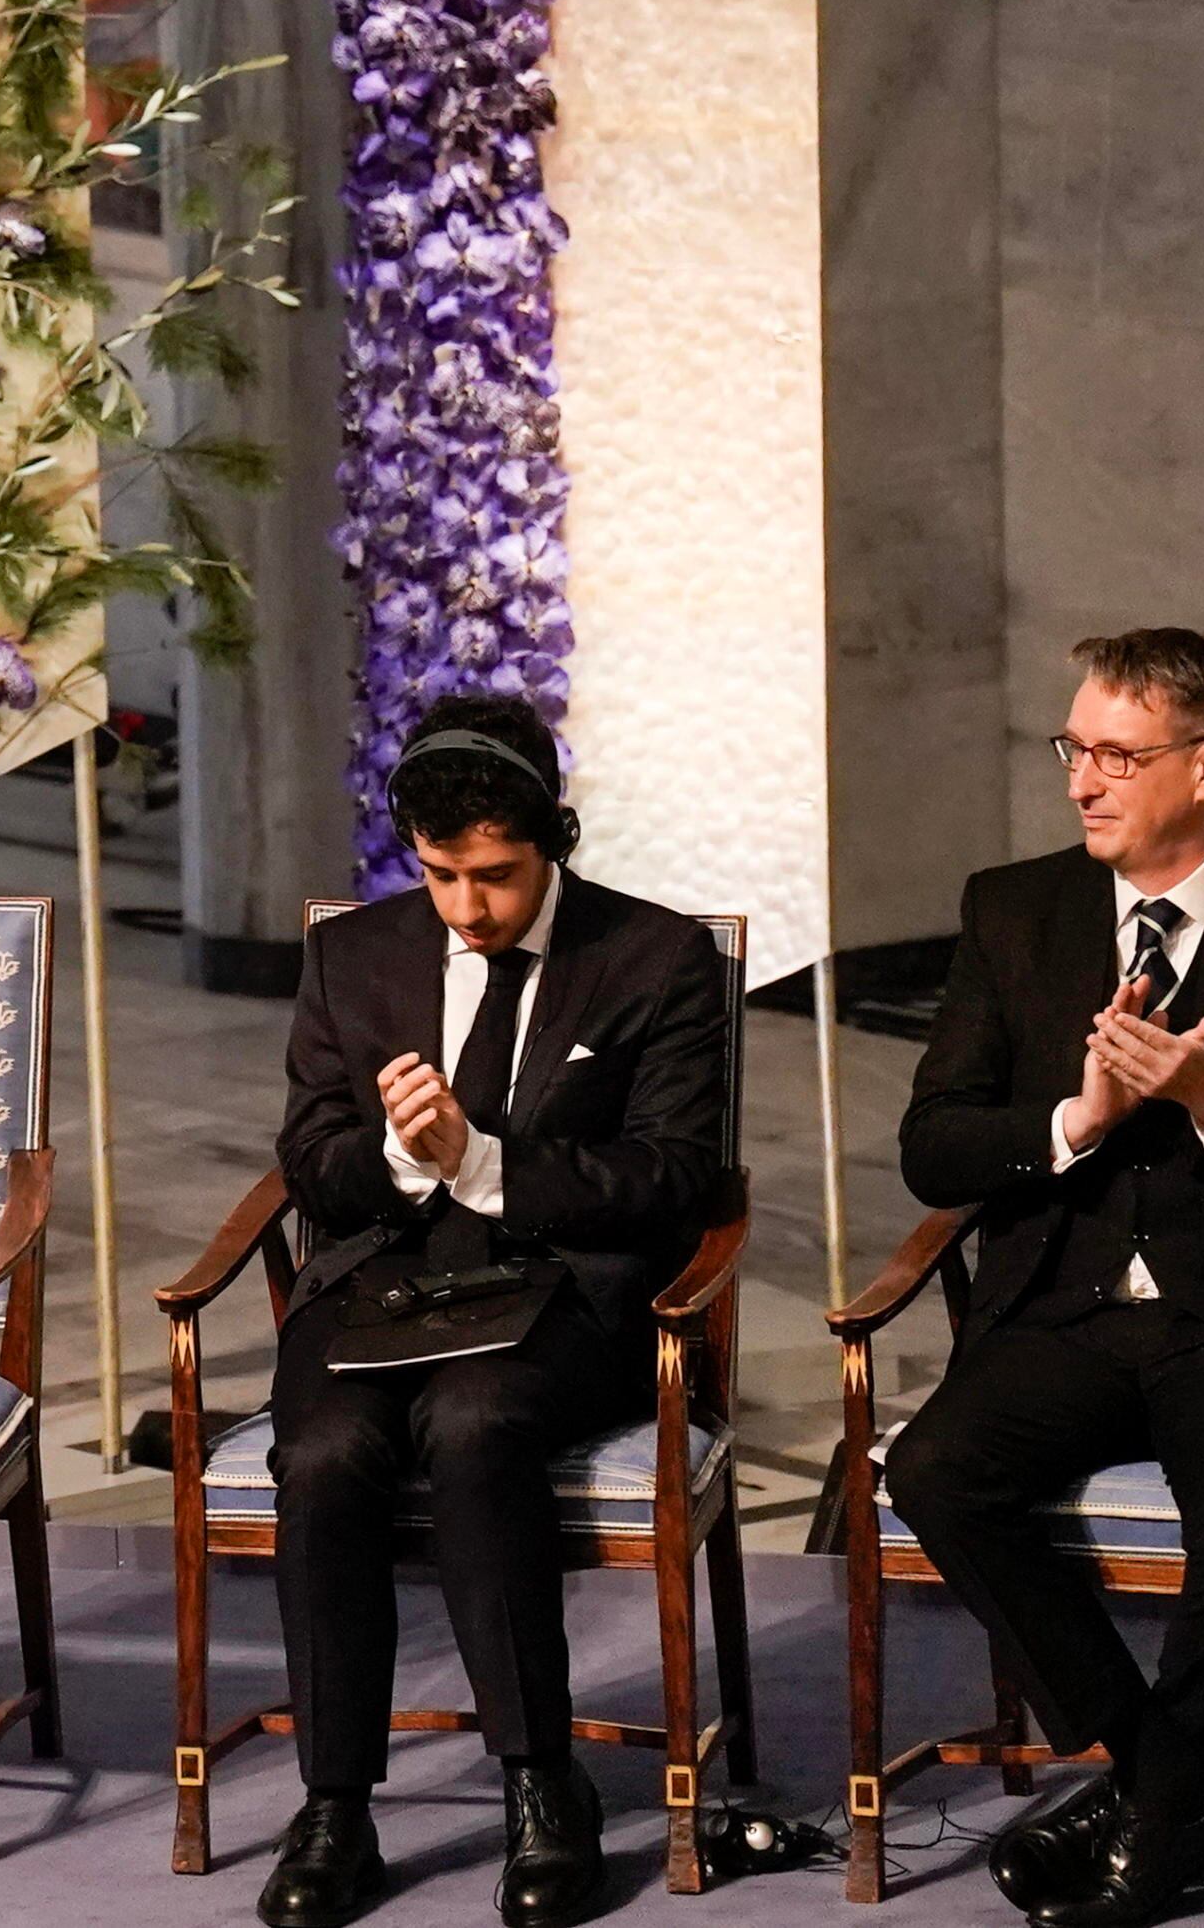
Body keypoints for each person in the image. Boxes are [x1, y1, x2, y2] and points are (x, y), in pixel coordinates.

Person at [883, 629, 1204, 1928]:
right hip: (1061, 1307)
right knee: (937, 1472)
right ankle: (1175, 1790)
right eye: (1077, 749)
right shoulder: (1012, 909)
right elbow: (931, 1144)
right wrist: (1078, 1119)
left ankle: (1157, 1805)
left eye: (1119, 755)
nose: (1083, 782)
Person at [253, 696, 734, 1928]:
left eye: (495, 876)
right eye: (439, 875)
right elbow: (310, 1158)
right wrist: (404, 1159)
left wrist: (480, 1160)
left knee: (472, 1423)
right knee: (323, 1447)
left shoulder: (654, 959)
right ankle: (332, 1803)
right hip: (375, 1284)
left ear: (553, 839)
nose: (466, 906)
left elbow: (675, 1173)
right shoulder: (352, 955)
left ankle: (540, 1781)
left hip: (563, 1292)